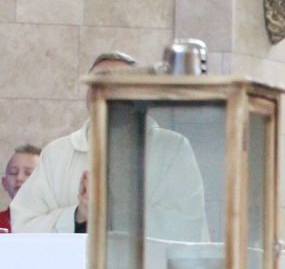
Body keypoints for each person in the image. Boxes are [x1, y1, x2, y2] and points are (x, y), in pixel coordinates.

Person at [10, 52, 207, 241]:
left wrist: (111, 212)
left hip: (146, 265)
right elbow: (23, 224)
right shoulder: (57, 154)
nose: (107, 91)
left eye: (119, 83)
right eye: (98, 83)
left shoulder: (172, 149)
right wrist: (79, 215)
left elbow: (187, 225)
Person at [1, 144, 41, 233]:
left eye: (28, 173)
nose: (19, 178)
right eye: (13, 172)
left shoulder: (58, 224)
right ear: (4, 183)